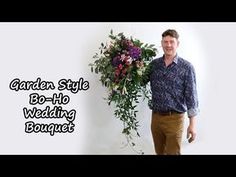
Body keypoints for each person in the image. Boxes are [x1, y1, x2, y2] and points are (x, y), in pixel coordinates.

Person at [143, 29, 199, 155]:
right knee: (159, 152)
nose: (168, 45)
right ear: (161, 43)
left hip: (174, 118)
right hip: (156, 118)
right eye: (165, 42)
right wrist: (128, 68)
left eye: (171, 42)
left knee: (173, 153)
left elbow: (192, 97)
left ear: (177, 44)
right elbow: (140, 81)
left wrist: (192, 125)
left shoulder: (186, 67)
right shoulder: (153, 65)